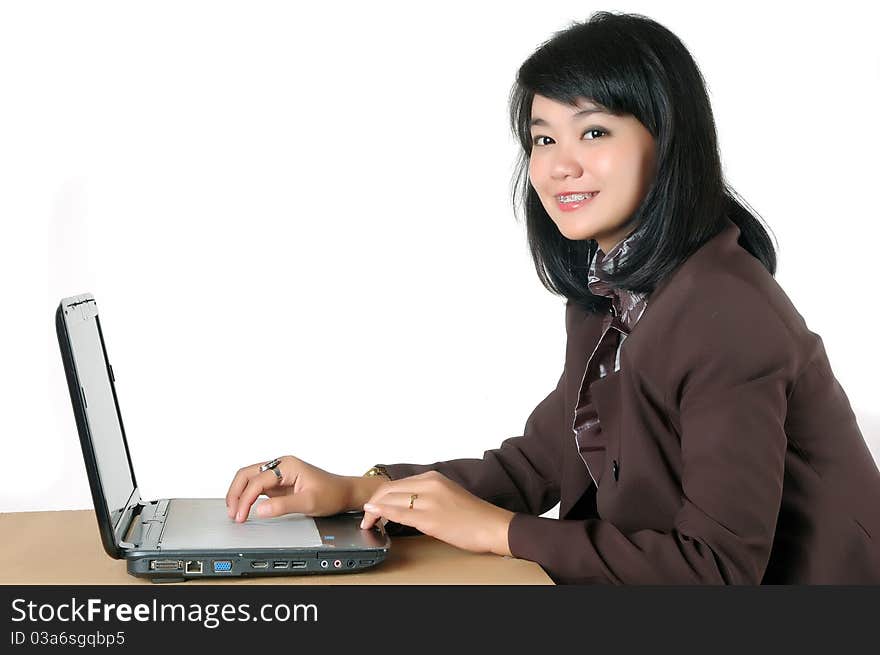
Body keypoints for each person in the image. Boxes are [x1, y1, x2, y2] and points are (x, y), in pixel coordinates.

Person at [225, 11, 880, 584]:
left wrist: (500, 531)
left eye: (593, 132)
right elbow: (539, 462)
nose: (558, 164)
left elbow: (716, 567)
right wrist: (356, 490)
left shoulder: (726, 312)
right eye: (543, 138)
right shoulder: (612, 292)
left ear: (667, 140)